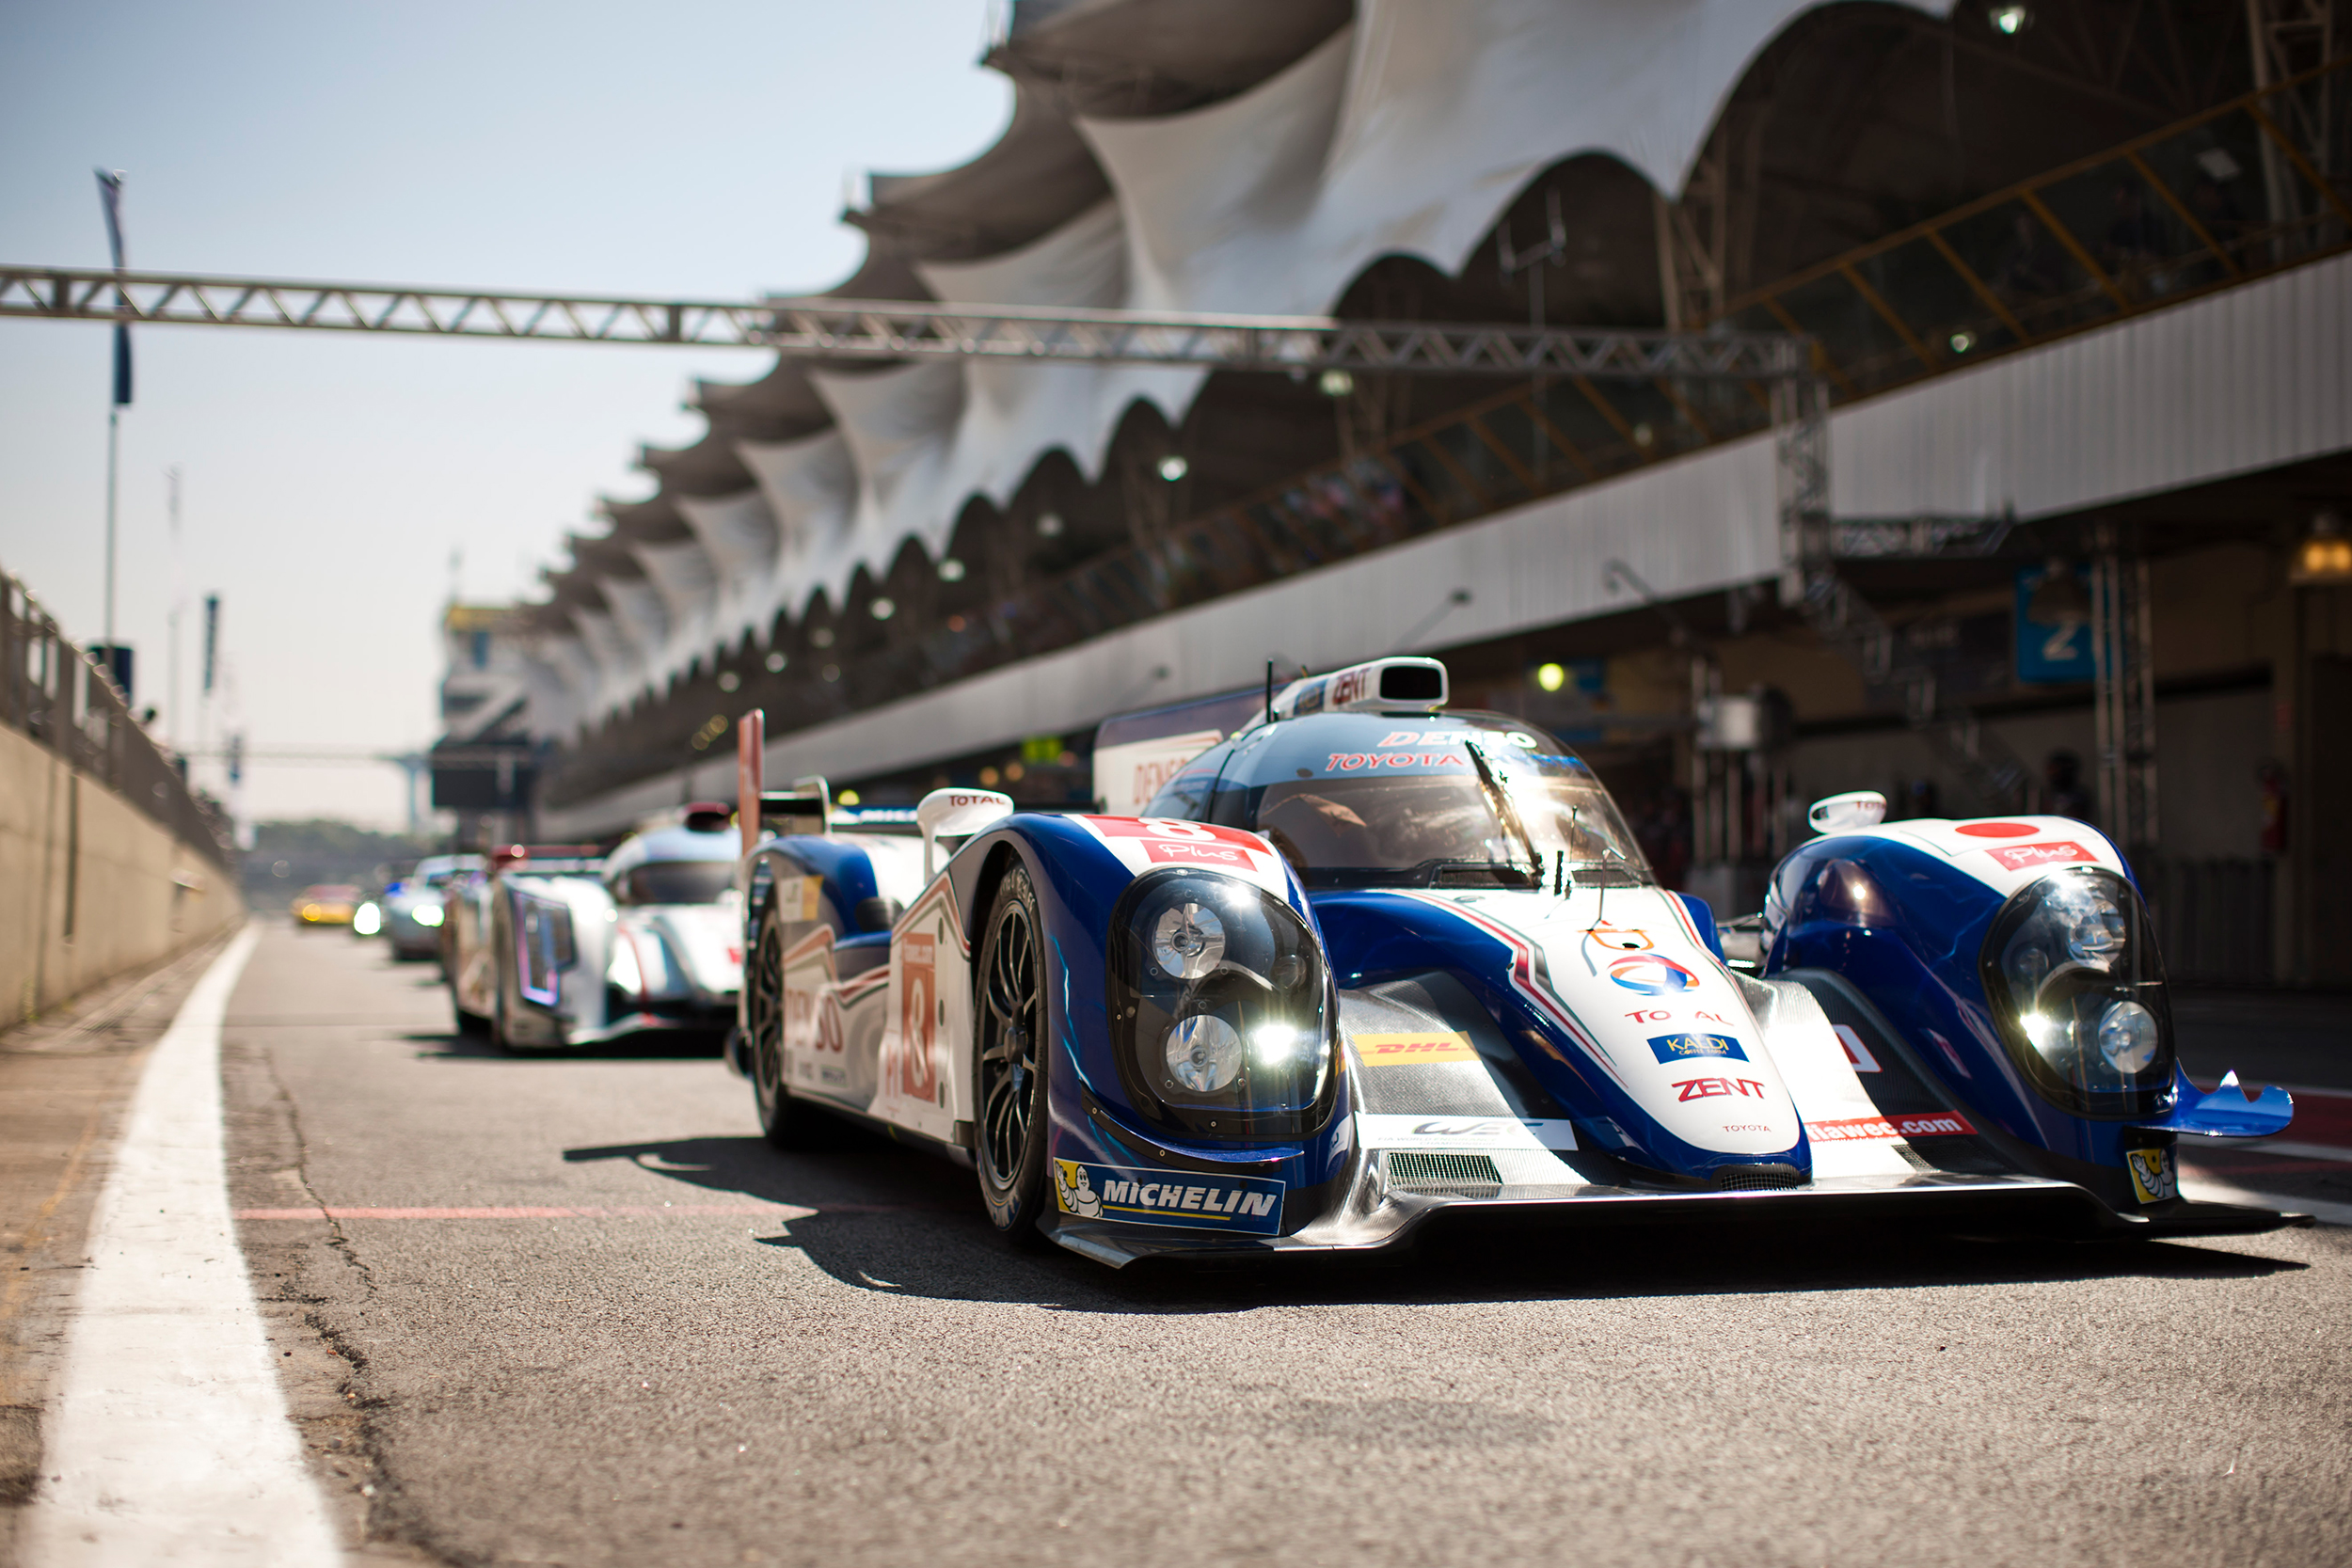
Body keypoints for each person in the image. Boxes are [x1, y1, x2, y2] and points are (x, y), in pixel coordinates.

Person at [2045, 750, 2093, 825]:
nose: (2051, 773)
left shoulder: (2079, 796)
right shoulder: (2046, 795)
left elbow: (2078, 818)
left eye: (2056, 769)